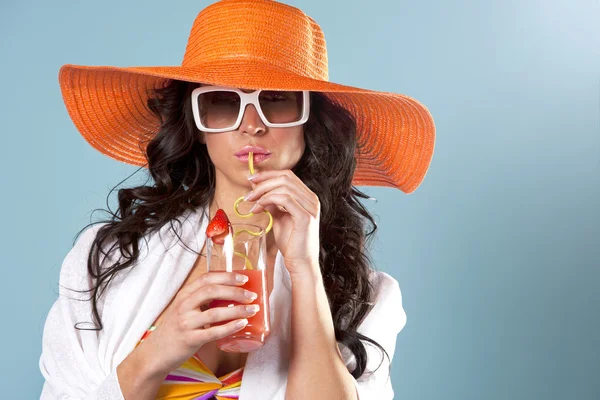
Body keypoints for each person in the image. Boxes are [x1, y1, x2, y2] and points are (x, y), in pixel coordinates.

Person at [38, 0, 436, 399]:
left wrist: (304, 270)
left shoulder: (363, 295)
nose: (252, 125)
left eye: (277, 99)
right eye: (224, 102)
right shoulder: (108, 259)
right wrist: (160, 347)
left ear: (309, 120)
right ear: (197, 125)